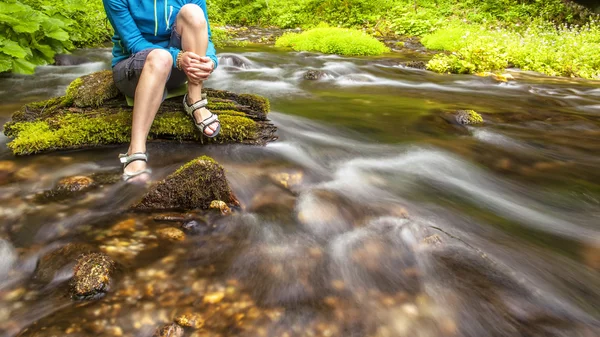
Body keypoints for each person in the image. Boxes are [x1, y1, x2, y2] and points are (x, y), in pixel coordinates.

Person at [102, 0, 220, 181]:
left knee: (193, 12)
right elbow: (134, 42)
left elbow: (206, 37)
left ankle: (194, 100)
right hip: (134, 70)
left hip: (181, 68)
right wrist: (177, 57)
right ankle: (136, 148)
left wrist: (210, 61)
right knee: (160, 57)